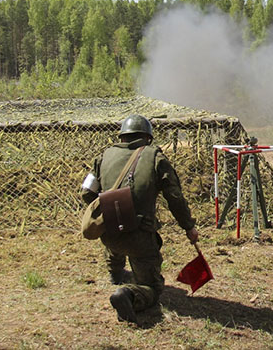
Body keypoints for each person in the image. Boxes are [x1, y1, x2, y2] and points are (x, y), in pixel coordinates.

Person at [81, 114, 198, 325]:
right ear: (148, 137)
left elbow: (86, 192)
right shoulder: (155, 157)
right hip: (140, 239)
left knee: (116, 229)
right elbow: (175, 198)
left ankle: (115, 273)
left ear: (122, 136)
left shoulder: (103, 157)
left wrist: (110, 207)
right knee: (153, 287)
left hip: (110, 235)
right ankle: (128, 295)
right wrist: (188, 227)